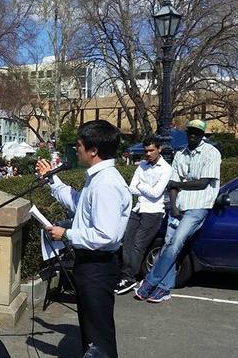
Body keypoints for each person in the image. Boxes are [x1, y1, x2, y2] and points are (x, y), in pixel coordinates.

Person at [37, 120, 131, 358]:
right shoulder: (97, 178)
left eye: (79, 145)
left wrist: (66, 234)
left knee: (99, 335)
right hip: (89, 264)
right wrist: (51, 179)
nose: (76, 149)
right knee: (90, 330)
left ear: (93, 150)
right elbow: (79, 204)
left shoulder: (106, 184)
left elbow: (105, 235)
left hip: (97, 266)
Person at [136, 119, 221, 303]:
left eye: (196, 132)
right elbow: (171, 186)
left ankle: (150, 282)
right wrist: (173, 207)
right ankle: (165, 288)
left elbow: (203, 183)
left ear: (202, 135)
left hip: (198, 206)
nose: (192, 135)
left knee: (176, 242)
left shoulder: (211, 152)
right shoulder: (180, 153)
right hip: (179, 206)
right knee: (168, 244)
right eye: (190, 131)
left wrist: (178, 184)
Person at [115, 136, 172, 295]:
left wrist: (141, 185)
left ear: (159, 149)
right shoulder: (142, 166)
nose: (147, 154)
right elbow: (131, 188)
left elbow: (156, 194)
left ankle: (129, 277)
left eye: (151, 150)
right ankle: (125, 275)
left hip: (153, 212)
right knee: (127, 240)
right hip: (138, 208)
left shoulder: (166, 168)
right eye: (145, 151)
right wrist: (145, 187)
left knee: (139, 244)